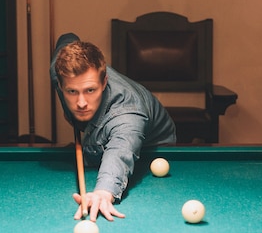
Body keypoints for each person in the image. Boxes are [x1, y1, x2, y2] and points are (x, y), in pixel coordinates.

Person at [50, 33, 176, 221]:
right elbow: (67, 38)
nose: (81, 102)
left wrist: (104, 191)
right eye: (72, 92)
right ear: (60, 85)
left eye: (90, 90)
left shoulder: (127, 114)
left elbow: (122, 149)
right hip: (101, 136)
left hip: (153, 148)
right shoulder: (58, 70)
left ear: (104, 82)